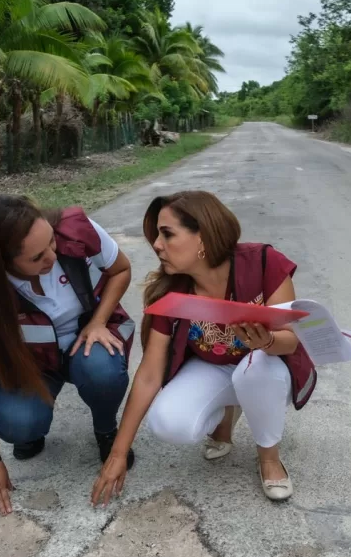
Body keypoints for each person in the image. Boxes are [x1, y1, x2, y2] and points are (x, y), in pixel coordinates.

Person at [91, 190, 316, 507]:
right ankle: (226, 417)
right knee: (169, 423)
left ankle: (269, 457)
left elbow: (291, 339)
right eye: (156, 235)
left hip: (263, 363)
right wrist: (117, 453)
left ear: (203, 239)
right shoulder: (168, 294)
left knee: (256, 372)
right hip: (212, 366)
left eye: (167, 234)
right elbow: (149, 375)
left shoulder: (264, 263)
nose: (156, 245)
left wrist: (266, 341)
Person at [0, 194, 136, 516]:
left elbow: (121, 270)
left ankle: (105, 428)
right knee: (18, 423)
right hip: (32, 363)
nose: (53, 255)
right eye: (37, 257)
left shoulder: (76, 230)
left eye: (51, 242)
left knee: (102, 370)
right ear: (2, 262)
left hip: (85, 340)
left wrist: (98, 321)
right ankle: (32, 430)